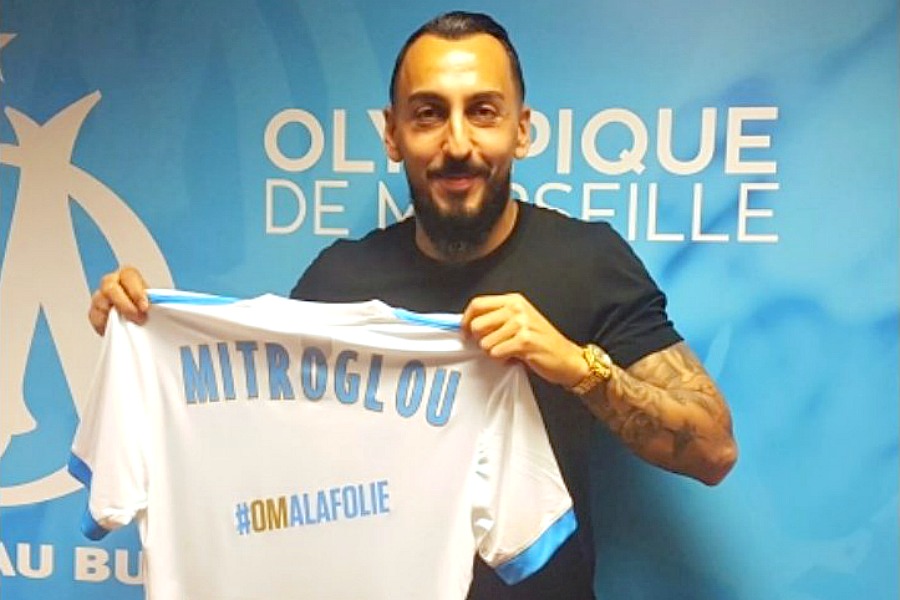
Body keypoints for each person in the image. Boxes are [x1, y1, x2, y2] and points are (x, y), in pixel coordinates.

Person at [88, 11, 737, 600]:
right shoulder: (339, 279)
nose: (457, 142)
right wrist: (145, 338)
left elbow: (712, 451)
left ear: (521, 130)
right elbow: (255, 456)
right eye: (428, 114)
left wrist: (574, 365)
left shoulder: (587, 262)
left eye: (483, 112)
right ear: (393, 134)